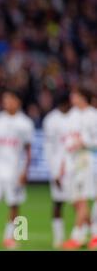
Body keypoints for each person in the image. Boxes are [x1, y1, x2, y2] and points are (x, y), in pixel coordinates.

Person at [0, 90, 34, 249]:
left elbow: (28, 149)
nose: (7, 102)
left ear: (17, 101)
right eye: (5, 99)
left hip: (15, 169)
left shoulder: (25, 123)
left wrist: (26, 171)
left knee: (14, 204)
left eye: (10, 99)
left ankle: (11, 238)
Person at [61, 87, 97, 249]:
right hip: (72, 162)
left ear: (83, 97)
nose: (72, 97)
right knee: (76, 200)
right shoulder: (71, 116)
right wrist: (63, 163)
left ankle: (76, 237)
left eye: (75, 95)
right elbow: (67, 140)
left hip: (88, 160)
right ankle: (92, 233)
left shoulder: (93, 115)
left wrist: (85, 143)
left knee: (82, 198)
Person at [42, 93, 71, 248]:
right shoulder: (51, 120)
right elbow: (48, 148)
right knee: (58, 202)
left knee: (80, 202)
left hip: (76, 165)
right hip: (58, 167)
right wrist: (54, 172)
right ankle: (58, 238)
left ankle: (80, 235)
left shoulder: (76, 117)